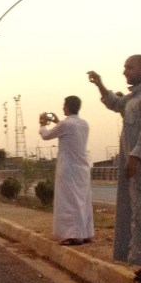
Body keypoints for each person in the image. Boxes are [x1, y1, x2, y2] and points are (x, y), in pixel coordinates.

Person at [89, 55, 141, 264]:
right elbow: (114, 103)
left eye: (130, 67)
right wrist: (100, 84)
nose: (124, 72)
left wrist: (135, 155)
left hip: (137, 164)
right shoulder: (132, 99)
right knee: (134, 214)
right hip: (133, 171)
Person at [38, 96, 94, 245]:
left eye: (64, 105)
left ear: (68, 107)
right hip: (82, 168)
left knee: (70, 202)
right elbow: (68, 131)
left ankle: (73, 235)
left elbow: (46, 135)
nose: (63, 108)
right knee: (83, 201)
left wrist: (43, 124)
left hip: (69, 168)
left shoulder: (66, 124)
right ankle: (86, 233)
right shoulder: (84, 124)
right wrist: (58, 122)